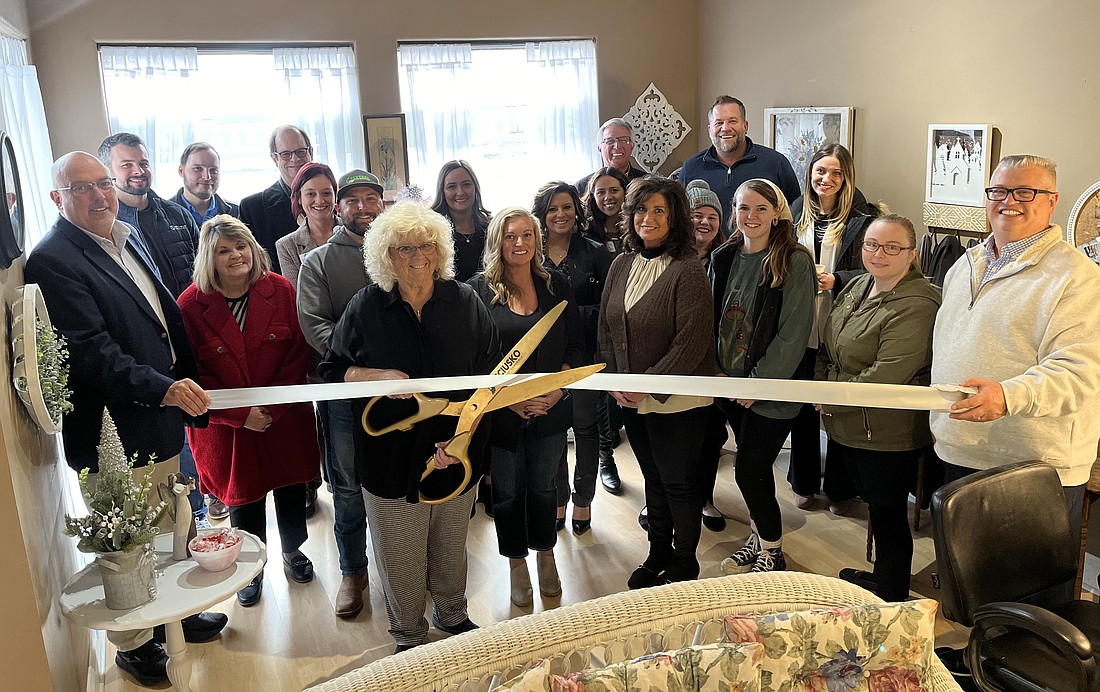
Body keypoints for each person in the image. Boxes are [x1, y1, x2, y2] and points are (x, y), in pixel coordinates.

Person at [25, 151, 221, 687]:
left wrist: (184, 376)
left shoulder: (125, 234)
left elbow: (159, 316)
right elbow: (91, 353)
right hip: (114, 427)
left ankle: (170, 618)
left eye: (103, 184)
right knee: (128, 544)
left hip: (157, 418)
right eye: (81, 188)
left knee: (168, 527)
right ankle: (134, 647)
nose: (98, 196)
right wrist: (166, 388)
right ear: (57, 199)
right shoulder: (54, 260)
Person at [319, 201, 499, 653]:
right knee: (400, 556)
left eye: (426, 245)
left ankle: (453, 616)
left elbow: (491, 378)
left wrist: (462, 442)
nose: (418, 256)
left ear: (440, 251)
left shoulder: (465, 302)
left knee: (451, 546)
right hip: (390, 460)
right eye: (404, 249)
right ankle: (410, 637)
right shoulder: (366, 306)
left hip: (457, 450)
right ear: (386, 256)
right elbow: (331, 372)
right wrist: (374, 376)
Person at [930, 154, 1100, 555]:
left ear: (1051, 201)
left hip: (1032, 465)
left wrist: (1008, 396)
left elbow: (1079, 372)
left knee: (1026, 603)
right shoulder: (966, 264)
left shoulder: (1076, 276)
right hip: (960, 446)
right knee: (967, 591)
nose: (1010, 200)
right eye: (1000, 190)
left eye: (1026, 191)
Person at [178, 215, 320, 607]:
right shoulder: (190, 305)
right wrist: (242, 416)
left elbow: (297, 355)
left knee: (291, 491)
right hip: (228, 429)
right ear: (210, 258)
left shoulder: (280, 289)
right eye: (224, 250)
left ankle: (293, 551)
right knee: (244, 500)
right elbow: (193, 374)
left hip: (283, 418)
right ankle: (250, 569)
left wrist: (270, 408)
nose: (235, 255)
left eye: (240, 246)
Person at [597, 176, 714, 588]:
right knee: (654, 480)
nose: (648, 218)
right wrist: (612, 379)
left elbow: (693, 340)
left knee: (678, 483)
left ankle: (685, 562)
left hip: (676, 400)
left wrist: (647, 383)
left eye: (659, 211)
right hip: (630, 397)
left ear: (675, 218)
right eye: (641, 210)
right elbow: (606, 329)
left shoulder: (688, 270)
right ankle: (657, 552)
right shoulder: (622, 263)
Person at [816, 214, 940, 601]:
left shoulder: (918, 305)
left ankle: (892, 595)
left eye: (892, 247)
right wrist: (821, 384)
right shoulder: (858, 285)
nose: (879, 253)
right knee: (876, 509)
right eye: (872, 245)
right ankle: (883, 578)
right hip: (850, 422)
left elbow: (885, 376)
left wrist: (829, 393)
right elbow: (827, 347)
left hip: (887, 431)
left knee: (888, 516)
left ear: (912, 254)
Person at [468, 207, 583, 607]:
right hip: (502, 415)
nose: (520, 243)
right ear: (497, 241)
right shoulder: (478, 290)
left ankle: (546, 552)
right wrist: (508, 400)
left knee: (544, 485)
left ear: (537, 240)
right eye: (510, 236)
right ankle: (517, 562)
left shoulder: (557, 286)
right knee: (508, 489)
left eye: (527, 235)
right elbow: (475, 359)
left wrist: (557, 390)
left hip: (551, 411)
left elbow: (575, 346)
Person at [711, 179, 815, 575]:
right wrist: (719, 373)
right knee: (752, 470)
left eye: (759, 209)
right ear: (733, 211)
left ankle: (773, 552)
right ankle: (759, 539)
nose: (750, 217)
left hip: (770, 390)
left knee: (749, 470)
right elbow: (712, 317)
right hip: (730, 387)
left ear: (776, 213)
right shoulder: (723, 257)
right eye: (742, 208)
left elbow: (792, 333)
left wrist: (757, 383)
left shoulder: (794, 261)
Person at [297, 169, 383, 619]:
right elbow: (316, 328)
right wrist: (365, 370)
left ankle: (398, 569)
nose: (363, 207)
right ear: (338, 207)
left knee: (396, 482)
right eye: (353, 200)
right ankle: (353, 572)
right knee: (347, 486)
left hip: (400, 392)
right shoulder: (318, 263)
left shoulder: (400, 253)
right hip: (346, 395)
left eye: (372, 198)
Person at [788, 144, 876, 514]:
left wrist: (837, 279)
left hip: (841, 317)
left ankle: (841, 489)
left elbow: (874, 269)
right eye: (820, 171)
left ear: (846, 178)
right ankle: (804, 482)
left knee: (839, 408)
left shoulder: (863, 217)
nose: (826, 179)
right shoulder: (795, 211)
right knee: (802, 408)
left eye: (836, 173)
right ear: (810, 173)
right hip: (800, 320)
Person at [534, 181, 612, 531]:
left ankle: (583, 499)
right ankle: (558, 497)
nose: (560, 214)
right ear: (542, 215)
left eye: (566, 207)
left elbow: (610, 306)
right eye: (552, 209)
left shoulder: (595, 252)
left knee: (584, 427)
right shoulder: (530, 253)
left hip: (585, 355)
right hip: (544, 358)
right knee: (553, 430)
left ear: (577, 211)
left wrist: (574, 316)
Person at [99, 132, 200, 299]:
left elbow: (205, 269)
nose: (138, 171)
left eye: (143, 163)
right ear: (107, 171)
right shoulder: (107, 225)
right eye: (127, 165)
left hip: (190, 316)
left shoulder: (179, 214)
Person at [685, 179, 730, 534]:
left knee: (711, 436)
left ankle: (705, 498)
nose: (704, 222)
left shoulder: (729, 258)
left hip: (715, 366)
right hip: (678, 365)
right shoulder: (673, 257)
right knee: (673, 438)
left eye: (711, 215)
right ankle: (664, 499)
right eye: (696, 214)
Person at [678, 96, 801, 221]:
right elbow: (678, 215)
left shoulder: (776, 163)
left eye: (732, 121)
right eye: (719, 123)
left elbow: (796, 214)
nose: (725, 128)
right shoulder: (691, 167)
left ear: (745, 126)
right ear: (710, 130)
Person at [240, 124, 313, 274]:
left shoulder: (335, 199)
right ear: (275, 159)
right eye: (286, 154)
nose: (295, 159)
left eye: (301, 151)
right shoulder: (253, 208)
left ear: (311, 152)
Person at [275, 162, 338, 289]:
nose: (319, 201)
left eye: (326, 193)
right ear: (298, 198)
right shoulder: (287, 246)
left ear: (335, 196)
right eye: (310, 194)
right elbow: (299, 296)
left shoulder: (353, 232)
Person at [430, 160, 492, 282]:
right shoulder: (431, 231)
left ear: (475, 188)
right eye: (452, 187)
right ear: (442, 191)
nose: (460, 192)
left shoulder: (491, 228)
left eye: (466, 185)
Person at [172, 141, 239, 227]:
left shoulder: (237, 214)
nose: (207, 176)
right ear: (181, 171)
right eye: (198, 168)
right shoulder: (162, 215)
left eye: (213, 170)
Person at [574, 118, 648, 195]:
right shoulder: (581, 188)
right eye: (610, 141)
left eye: (623, 140)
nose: (617, 146)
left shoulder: (648, 184)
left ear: (632, 146)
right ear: (600, 149)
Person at [582, 166, 629, 255]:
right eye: (601, 192)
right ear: (593, 197)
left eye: (614, 190)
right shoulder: (584, 232)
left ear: (625, 192)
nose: (608, 197)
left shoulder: (637, 229)